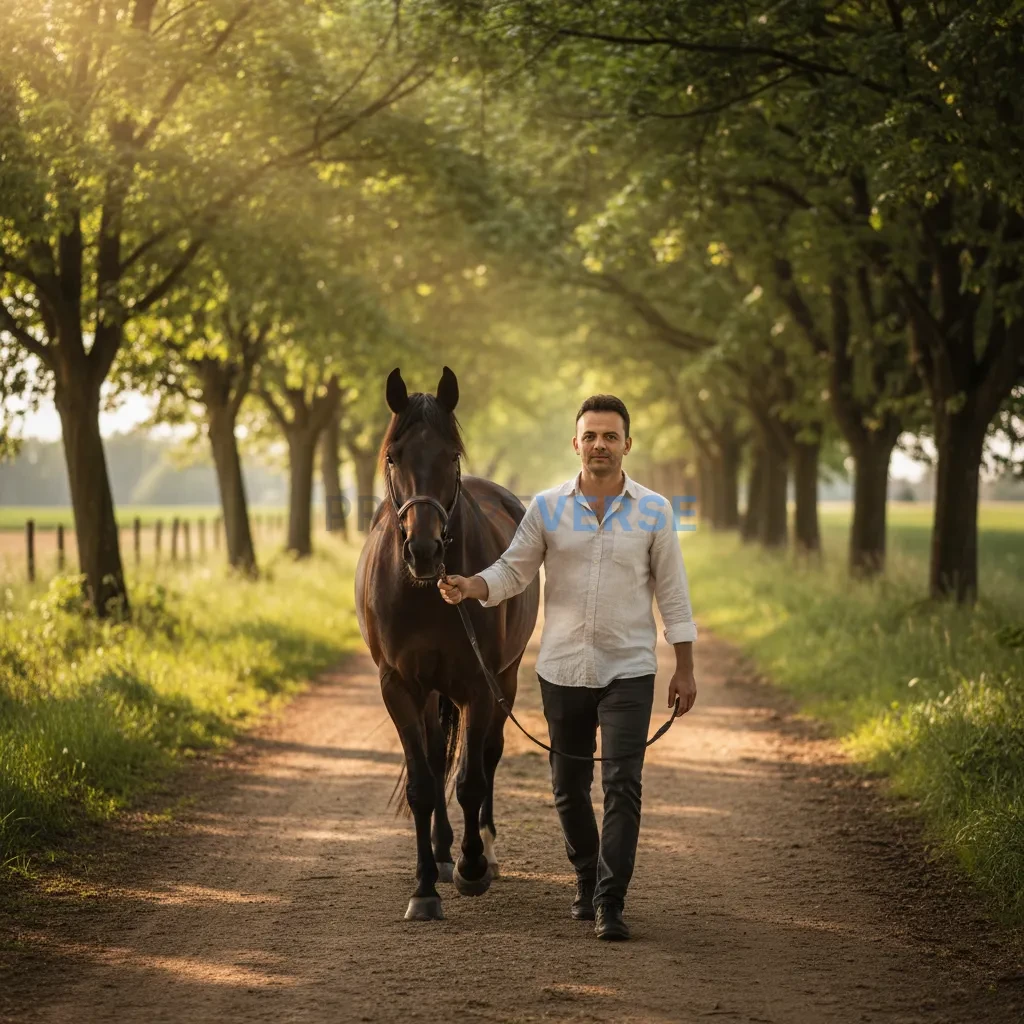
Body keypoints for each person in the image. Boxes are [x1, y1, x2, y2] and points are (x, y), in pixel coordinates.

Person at [438, 394, 698, 941]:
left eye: (610, 436)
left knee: (623, 784)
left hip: (630, 668)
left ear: (627, 444)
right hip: (562, 670)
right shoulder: (547, 508)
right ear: (575, 443)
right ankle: (585, 875)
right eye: (591, 436)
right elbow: (513, 571)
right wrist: (471, 586)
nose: (600, 445)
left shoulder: (654, 510)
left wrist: (685, 667)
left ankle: (610, 900)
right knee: (567, 788)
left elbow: (673, 594)